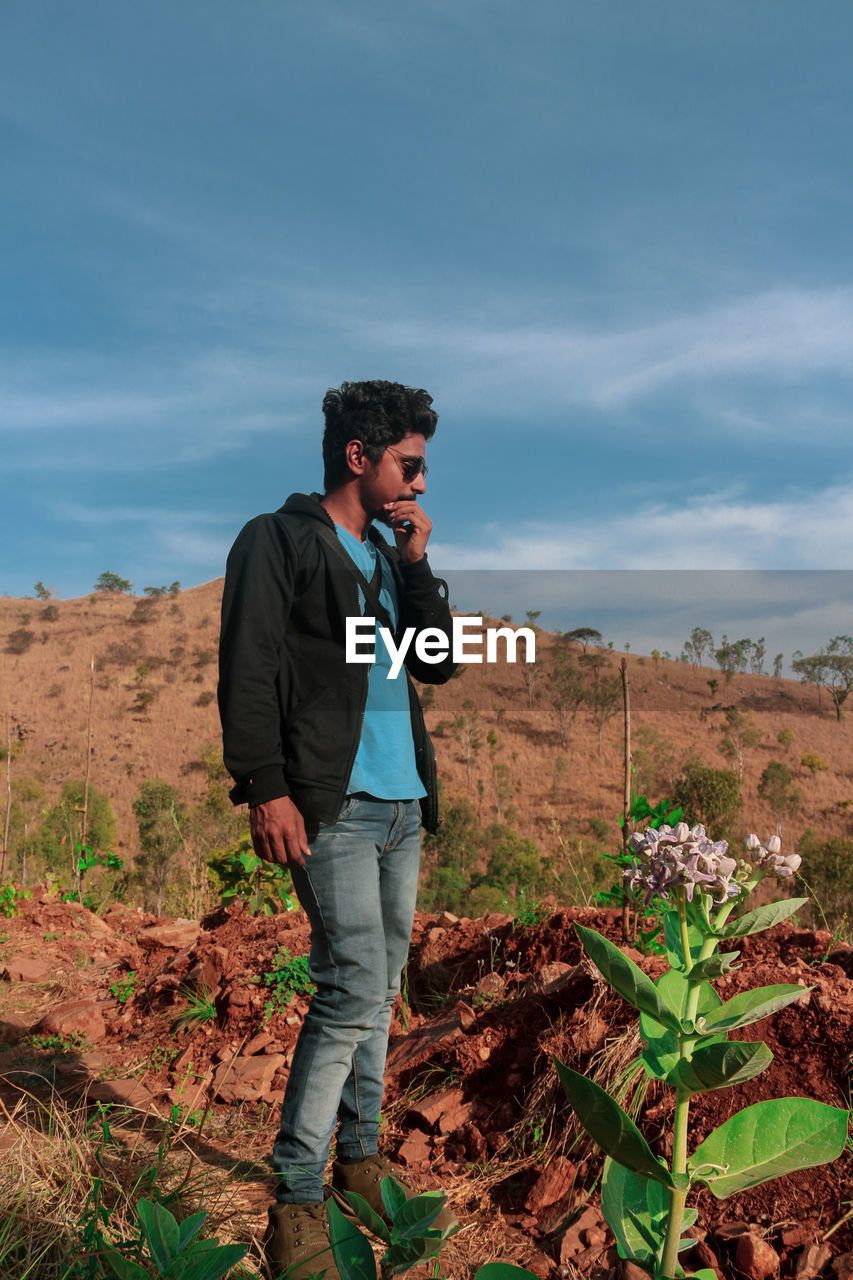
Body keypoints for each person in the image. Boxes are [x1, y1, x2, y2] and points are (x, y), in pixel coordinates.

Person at [218, 380, 458, 1279]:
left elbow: (438, 666)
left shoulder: (390, 558)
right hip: (333, 809)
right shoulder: (276, 542)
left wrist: (417, 564)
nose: (421, 483)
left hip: (401, 809)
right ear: (359, 458)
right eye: (410, 464)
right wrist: (264, 788)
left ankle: (359, 1156)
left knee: (381, 984)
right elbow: (248, 667)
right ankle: (295, 1197)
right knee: (351, 985)